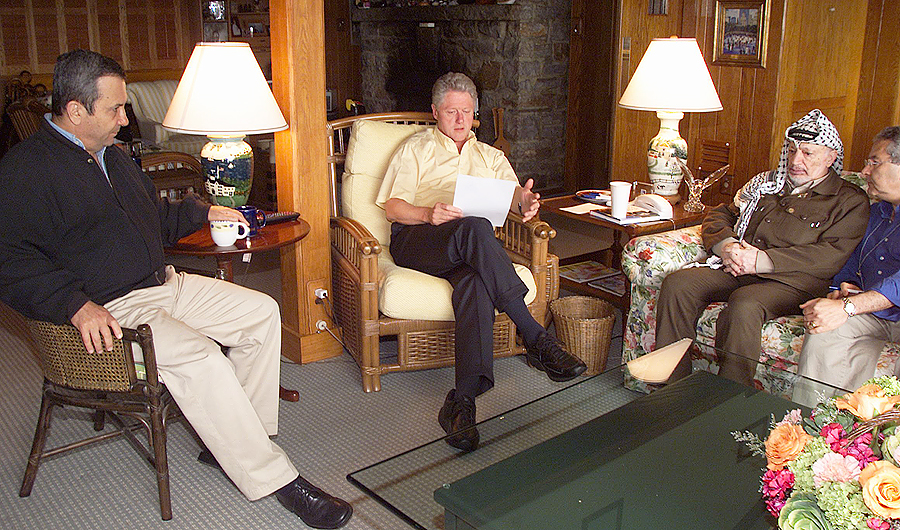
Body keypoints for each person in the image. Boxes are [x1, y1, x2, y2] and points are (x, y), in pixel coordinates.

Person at [0, 50, 351, 529]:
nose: (126, 120)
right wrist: (75, 305)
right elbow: (10, 262)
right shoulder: (27, 170)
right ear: (76, 111)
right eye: (115, 109)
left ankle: (234, 442)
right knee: (202, 356)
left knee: (261, 313)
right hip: (111, 308)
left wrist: (205, 212)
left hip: (164, 284)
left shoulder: (111, 157)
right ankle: (275, 479)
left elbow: (153, 216)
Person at [376, 72, 586, 451]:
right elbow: (392, 207)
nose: (459, 120)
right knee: (474, 227)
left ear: (475, 114)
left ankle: (462, 403)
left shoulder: (492, 157)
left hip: (469, 252)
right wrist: (427, 214)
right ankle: (535, 335)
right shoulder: (415, 149)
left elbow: (516, 198)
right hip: (419, 241)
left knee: (474, 283)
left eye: (467, 112)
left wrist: (526, 203)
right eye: (451, 111)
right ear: (436, 112)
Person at [653, 109, 870, 385]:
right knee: (679, 284)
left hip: (793, 282)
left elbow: (830, 256)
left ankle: (727, 401)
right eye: (791, 151)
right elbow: (722, 214)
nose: (795, 160)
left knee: (745, 304)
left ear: (831, 157)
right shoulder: (766, 183)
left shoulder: (849, 200)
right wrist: (727, 245)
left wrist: (761, 261)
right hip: (737, 267)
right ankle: (670, 386)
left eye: (807, 153)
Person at [798, 127, 900, 394]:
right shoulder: (875, 212)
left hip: (874, 308)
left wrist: (849, 307)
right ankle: (806, 427)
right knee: (822, 328)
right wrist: (840, 292)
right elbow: (850, 259)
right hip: (875, 312)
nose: (865, 171)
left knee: (863, 352)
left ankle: (859, 433)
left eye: (874, 162)